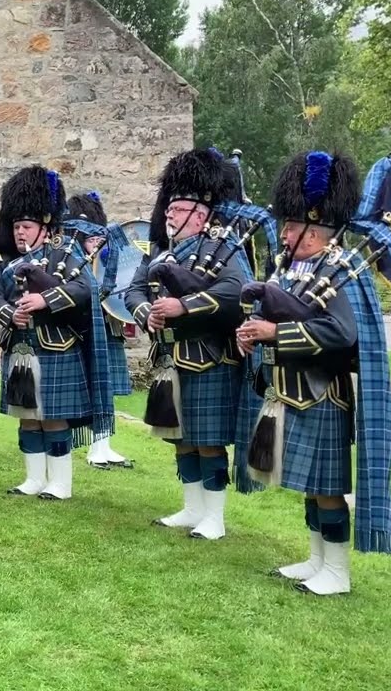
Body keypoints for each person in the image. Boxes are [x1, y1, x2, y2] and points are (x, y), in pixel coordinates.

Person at [237, 150, 391, 595]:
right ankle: (316, 559)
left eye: (291, 227)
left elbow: (342, 333)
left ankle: (338, 571)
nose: (284, 234)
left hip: (323, 393)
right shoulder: (292, 269)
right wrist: (251, 335)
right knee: (310, 486)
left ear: (315, 228)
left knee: (328, 488)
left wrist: (277, 331)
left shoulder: (343, 269)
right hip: (289, 390)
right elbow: (272, 316)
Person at [124, 149, 258, 540]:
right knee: (181, 438)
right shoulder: (160, 253)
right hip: (170, 358)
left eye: (179, 208)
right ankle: (191, 507)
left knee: (209, 441)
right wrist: (147, 311)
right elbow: (132, 292)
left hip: (211, 358)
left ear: (200, 215)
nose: (170, 214)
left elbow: (236, 292)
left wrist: (183, 305)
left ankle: (214, 517)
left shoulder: (221, 248)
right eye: (169, 207)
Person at [0, 166, 112, 501]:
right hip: (20, 345)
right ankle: (33, 479)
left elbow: (85, 289)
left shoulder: (64, 253)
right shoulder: (4, 262)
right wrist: (11, 315)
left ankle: (60, 484)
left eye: (26, 227)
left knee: (53, 418)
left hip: (57, 345)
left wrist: (44, 299)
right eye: (15, 226)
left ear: (44, 226)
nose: (20, 233)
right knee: (27, 417)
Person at [65, 191, 134, 469]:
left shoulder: (107, 249)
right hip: (86, 326)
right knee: (92, 389)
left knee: (107, 390)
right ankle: (92, 448)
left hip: (109, 324)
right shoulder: (72, 253)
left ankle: (104, 445)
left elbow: (125, 274)